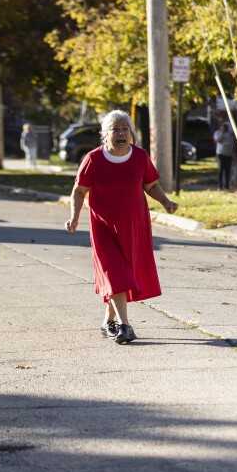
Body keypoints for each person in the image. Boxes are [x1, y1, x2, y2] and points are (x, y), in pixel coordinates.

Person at [64, 110, 179, 345]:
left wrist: (165, 201)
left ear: (131, 134)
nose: (121, 133)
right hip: (104, 228)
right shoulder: (94, 159)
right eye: (115, 129)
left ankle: (108, 322)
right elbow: (79, 190)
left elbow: (151, 184)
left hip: (134, 226)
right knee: (116, 274)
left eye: (125, 129)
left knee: (126, 275)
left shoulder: (140, 157)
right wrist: (74, 216)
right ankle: (125, 327)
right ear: (105, 135)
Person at [214, 121, 235, 190]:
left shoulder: (230, 134)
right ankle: (219, 186)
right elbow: (218, 140)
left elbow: (232, 141)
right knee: (220, 170)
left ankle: (227, 185)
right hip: (221, 154)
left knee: (227, 170)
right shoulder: (218, 133)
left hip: (228, 154)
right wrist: (222, 133)